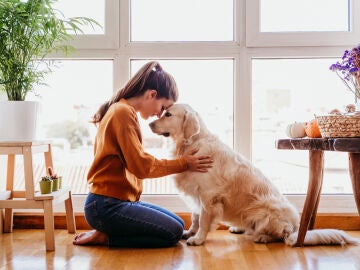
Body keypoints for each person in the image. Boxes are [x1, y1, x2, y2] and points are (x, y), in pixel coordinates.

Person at [73, 61, 213, 248]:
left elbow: (135, 162)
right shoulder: (122, 113)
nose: (159, 115)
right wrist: (184, 163)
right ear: (152, 94)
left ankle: (107, 230)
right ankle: (107, 237)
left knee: (179, 226)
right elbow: (141, 166)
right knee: (172, 233)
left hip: (116, 202)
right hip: (106, 206)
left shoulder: (122, 110)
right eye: (163, 108)